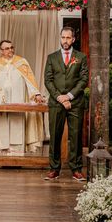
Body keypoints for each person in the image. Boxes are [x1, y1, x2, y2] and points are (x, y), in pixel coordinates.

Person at [43, 27, 88, 181]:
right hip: (56, 103)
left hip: (76, 102)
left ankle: (76, 169)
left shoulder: (81, 57)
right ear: (60, 38)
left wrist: (69, 96)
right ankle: (54, 169)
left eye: (68, 38)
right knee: (55, 135)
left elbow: (83, 80)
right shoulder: (52, 57)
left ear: (73, 39)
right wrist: (59, 97)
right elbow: (48, 80)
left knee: (75, 136)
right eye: (63, 37)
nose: (65, 41)